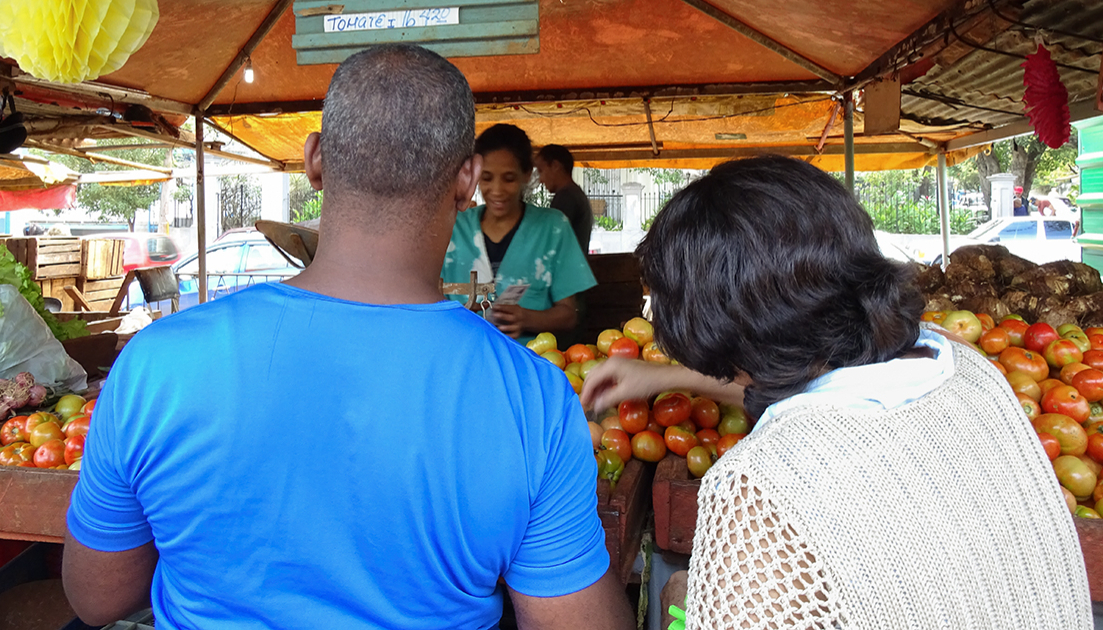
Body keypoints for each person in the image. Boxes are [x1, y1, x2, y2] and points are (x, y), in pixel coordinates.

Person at [63, 44, 635, 630]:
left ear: (314, 159)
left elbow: (98, 598)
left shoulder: (157, 363)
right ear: (466, 181)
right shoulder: (533, 398)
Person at [581, 156, 1090, 630]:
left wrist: (690, 605)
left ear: (717, 328)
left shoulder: (757, 489)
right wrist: (667, 378)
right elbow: (817, 402)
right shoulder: (970, 369)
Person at [442, 124, 597, 344]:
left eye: (509, 179)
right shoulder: (454, 228)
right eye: (486, 178)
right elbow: (430, 300)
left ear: (526, 174)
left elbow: (569, 314)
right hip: (464, 361)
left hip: (531, 363)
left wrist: (526, 318)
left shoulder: (553, 228)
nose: (496, 190)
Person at [535, 144, 592, 254]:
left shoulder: (566, 197)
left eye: (541, 170)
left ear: (555, 166)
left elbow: (550, 241)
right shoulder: (576, 194)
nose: (540, 180)